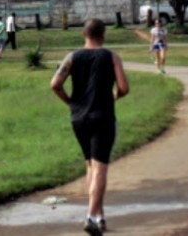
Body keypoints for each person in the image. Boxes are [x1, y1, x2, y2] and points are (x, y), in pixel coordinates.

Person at [50, 18, 130, 235]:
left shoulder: (72, 57)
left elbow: (55, 85)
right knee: (100, 167)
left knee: (90, 166)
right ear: (103, 35)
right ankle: (90, 217)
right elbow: (124, 88)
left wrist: (71, 104)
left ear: (83, 34)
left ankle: (99, 215)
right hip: (102, 117)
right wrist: (114, 96)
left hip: (79, 119)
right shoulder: (111, 56)